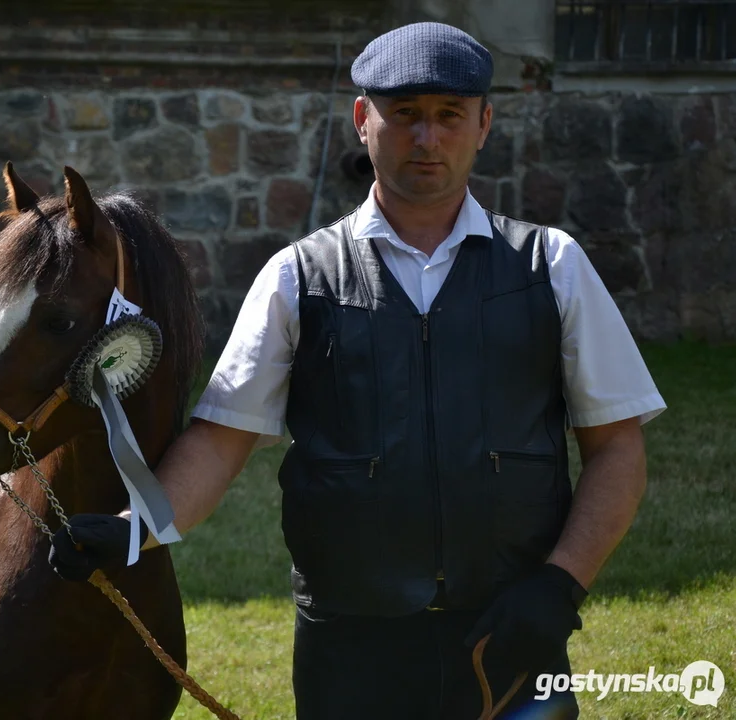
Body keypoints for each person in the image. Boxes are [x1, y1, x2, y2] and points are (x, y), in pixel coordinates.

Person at [49, 21, 666, 719]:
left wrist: (560, 587)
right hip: (351, 648)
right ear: (361, 121)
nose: (426, 139)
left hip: (512, 632)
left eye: (448, 116)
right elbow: (221, 442)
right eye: (404, 115)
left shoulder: (550, 266)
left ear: (484, 123)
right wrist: (133, 529)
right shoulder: (298, 277)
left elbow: (617, 448)